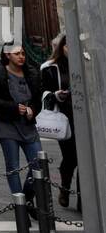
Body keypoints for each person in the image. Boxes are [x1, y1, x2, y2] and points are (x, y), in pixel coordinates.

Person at [0, 41, 43, 221]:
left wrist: (33, 109)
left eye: (23, 53)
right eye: (17, 53)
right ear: (7, 55)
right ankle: (20, 208)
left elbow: (37, 98)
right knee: (13, 167)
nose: (22, 57)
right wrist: (13, 108)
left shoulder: (31, 73)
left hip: (28, 126)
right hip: (7, 126)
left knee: (38, 165)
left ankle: (26, 199)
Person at [41, 32, 76, 207]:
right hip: (65, 118)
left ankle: (84, 200)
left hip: (85, 119)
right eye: (68, 46)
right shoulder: (50, 67)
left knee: (86, 160)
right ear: (62, 47)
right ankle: (65, 188)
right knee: (71, 157)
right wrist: (57, 95)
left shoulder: (84, 63)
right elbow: (44, 93)